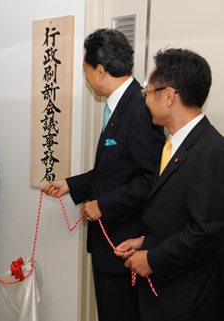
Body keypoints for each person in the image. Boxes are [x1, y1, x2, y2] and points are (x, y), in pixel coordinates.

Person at [41, 28, 165, 321]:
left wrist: (102, 205)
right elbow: (116, 169)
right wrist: (71, 185)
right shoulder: (122, 104)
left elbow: (150, 179)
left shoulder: (138, 107)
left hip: (123, 244)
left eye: (85, 70)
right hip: (112, 243)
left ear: (99, 71)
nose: (85, 77)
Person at [115, 48, 224, 320]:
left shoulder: (209, 150)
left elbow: (205, 230)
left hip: (187, 300)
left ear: (168, 96)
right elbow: (179, 215)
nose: (145, 101)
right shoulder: (176, 143)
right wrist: (145, 241)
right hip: (164, 294)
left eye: (147, 93)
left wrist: (152, 259)